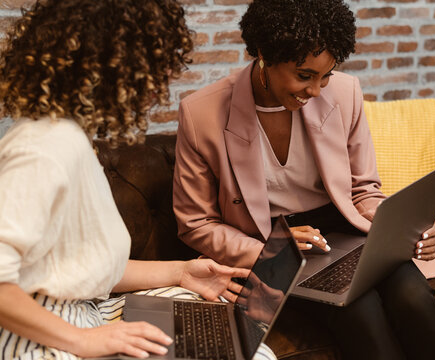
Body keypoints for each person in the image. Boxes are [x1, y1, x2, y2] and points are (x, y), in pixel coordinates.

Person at [173, 0, 435, 358]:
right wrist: (272, 249)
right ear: (264, 55)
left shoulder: (345, 92)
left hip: (348, 231)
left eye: (326, 75)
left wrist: (403, 228)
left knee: (414, 299)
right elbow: (196, 224)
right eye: (305, 75)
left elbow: (364, 189)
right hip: (277, 246)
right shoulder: (201, 114)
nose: (317, 91)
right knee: (361, 311)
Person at [0, 1, 276, 359]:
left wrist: (182, 272)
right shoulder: (43, 147)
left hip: (83, 312)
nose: (158, 85)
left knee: (239, 341)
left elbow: (79, 269)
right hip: (42, 338)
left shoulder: (69, 134)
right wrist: (84, 341)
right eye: (152, 67)